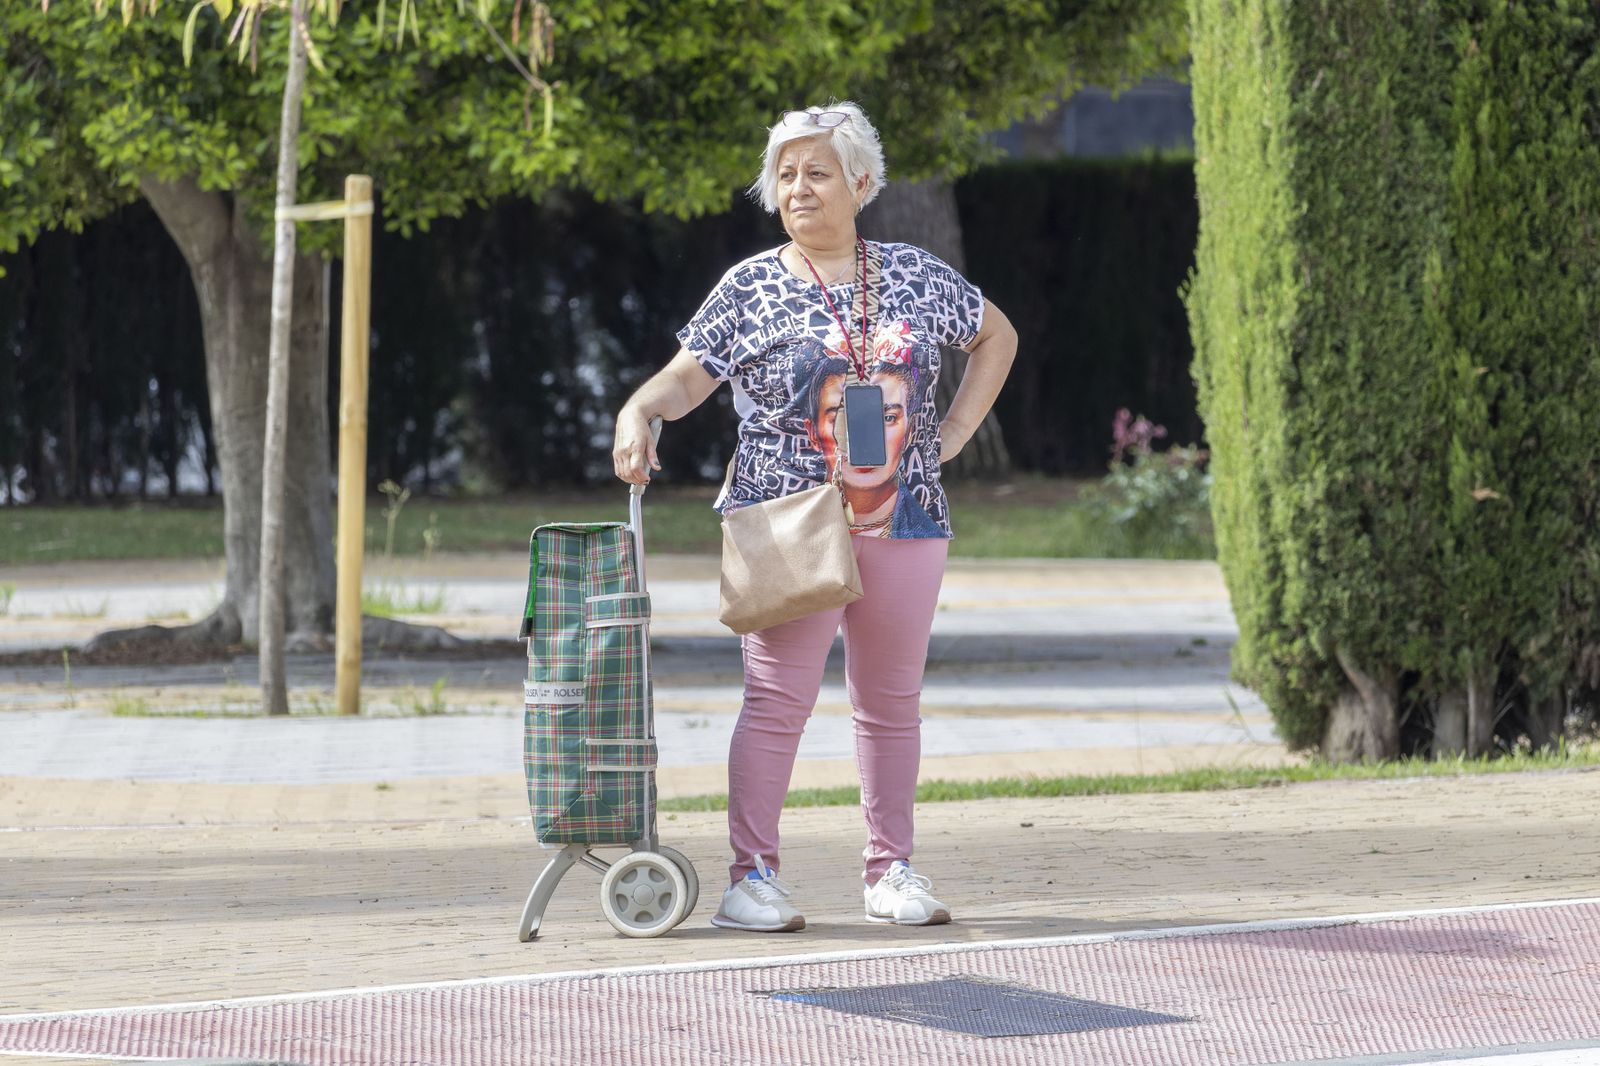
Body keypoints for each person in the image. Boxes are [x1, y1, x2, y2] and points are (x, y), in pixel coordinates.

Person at [611, 101, 1017, 932]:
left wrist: (954, 435)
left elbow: (995, 336)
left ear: (860, 182)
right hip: (787, 519)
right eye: (786, 174)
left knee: (890, 700)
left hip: (906, 514)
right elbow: (685, 381)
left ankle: (890, 871)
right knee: (776, 700)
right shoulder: (751, 285)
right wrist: (637, 412)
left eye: (817, 171)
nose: (799, 187)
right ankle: (750, 878)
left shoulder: (912, 271)